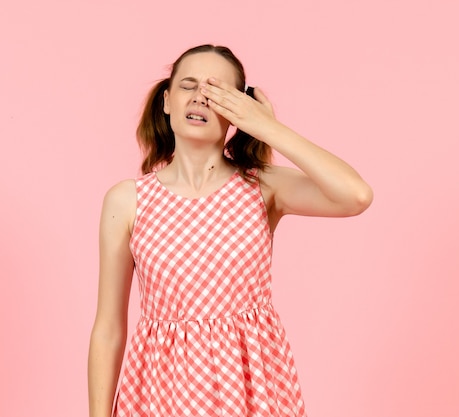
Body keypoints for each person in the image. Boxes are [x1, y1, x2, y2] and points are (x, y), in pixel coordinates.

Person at [88, 44, 373, 417]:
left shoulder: (262, 187)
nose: (201, 97)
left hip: (250, 388)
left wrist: (269, 129)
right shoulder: (128, 200)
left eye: (217, 92)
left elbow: (356, 196)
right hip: (160, 391)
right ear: (167, 101)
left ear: (241, 109)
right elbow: (108, 327)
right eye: (188, 85)